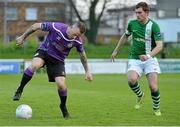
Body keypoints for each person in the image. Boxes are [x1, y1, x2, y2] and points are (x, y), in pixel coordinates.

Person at [13, 21, 93, 119]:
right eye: (75, 34)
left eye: (78, 35)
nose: (75, 37)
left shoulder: (77, 40)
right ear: (71, 27)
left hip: (58, 60)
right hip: (44, 52)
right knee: (34, 65)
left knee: (61, 85)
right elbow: (35, 26)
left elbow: (83, 56)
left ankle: (63, 106)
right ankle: (20, 89)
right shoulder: (57, 27)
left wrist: (87, 71)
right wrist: (23, 37)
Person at [111, 2, 163, 116]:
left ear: (147, 12)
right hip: (135, 58)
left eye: (140, 13)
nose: (137, 15)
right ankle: (140, 95)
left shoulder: (153, 26)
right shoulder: (132, 24)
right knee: (131, 80)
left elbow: (159, 46)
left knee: (153, 87)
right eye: (136, 13)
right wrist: (116, 51)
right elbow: (125, 36)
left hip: (150, 59)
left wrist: (148, 55)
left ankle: (156, 108)